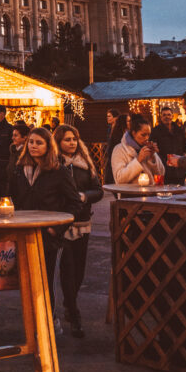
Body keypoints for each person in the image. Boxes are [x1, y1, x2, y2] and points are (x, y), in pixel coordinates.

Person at [9, 126, 82, 318]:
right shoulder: (19, 170)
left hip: (48, 235)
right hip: (24, 231)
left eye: (39, 143)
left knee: (45, 280)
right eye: (31, 142)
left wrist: (56, 229)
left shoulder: (59, 171)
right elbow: (12, 197)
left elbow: (74, 203)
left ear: (48, 146)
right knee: (27, 280)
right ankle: (32, 321)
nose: (33, 146)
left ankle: (49, 321)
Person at [54, 124, 103, 337]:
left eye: (74, 139)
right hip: (64, 222)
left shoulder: (85, 163)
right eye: (67, 139)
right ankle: (73, 311)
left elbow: (98, 190)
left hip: (83, 220)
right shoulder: (55, 165)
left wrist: (85, 197)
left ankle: (69, 304)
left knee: (80, 268)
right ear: (58, 142)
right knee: (68, 267)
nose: (71, 143)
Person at [111, 114, 165, 185]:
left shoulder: (147, 148)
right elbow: (119, 178)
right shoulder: (119, 150)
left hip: (150, 193)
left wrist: (153, 158)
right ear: (134, 133)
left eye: (148, 135)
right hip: (129, 194)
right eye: (143, 135)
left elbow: (161, 173)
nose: (146, 138)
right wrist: (138, 160)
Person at [151, 105, 186, 185]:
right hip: (164, 168)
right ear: (161, 117)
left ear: (172, 116)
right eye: (164, 115)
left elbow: (185, 146)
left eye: (169, 115)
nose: (167, 117)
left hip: (179, 169)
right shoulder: (156, 131)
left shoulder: (180, 130)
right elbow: (153, 148)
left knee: (180, 192)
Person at [105, 114, 129, 184]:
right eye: (128, 121)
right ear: (123, 123)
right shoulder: (118, 136)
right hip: (117, 164)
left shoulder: (129, 134)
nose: (130, 123)